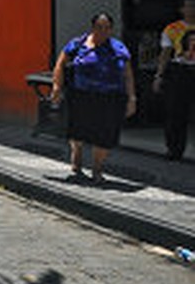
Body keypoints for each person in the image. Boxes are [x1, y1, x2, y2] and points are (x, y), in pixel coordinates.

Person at [50, 12, 136, 182]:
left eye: (107, 28)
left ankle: (97, 169)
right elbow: (60, 64)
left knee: (104, 134)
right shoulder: (78, 44)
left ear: (111, 29)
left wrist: (131, 98)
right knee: (77, 130)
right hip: (81, 95)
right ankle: (77, 155)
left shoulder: (119, 48)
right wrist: (57, 86)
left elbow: (128, 75)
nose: (103, 31)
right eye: (99, 27)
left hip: (110, 97)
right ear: (92, 27)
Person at [153, 0, 195, 161]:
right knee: (176, 112)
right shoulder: (172, 29)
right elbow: (165, 53)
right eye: (189, 7)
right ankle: (174, 150)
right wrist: (159, 75)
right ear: (182, 9)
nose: (192, 10)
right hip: (180, 70)